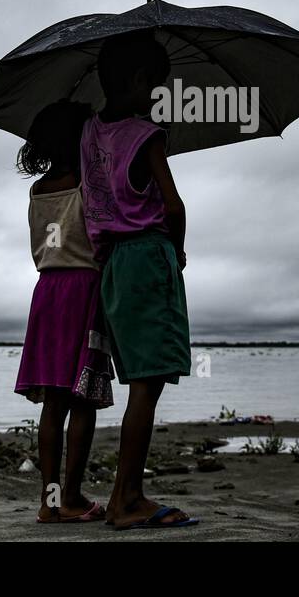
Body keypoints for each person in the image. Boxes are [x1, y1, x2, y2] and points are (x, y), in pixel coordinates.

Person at [81, 30, 198, 530]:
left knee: (138, 380)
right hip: (149, 257)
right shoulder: (145, 134)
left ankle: (124, 495)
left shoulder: (87, 132)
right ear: (139, 80)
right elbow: (172, 204)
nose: (159, 95)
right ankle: (127, 498)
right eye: (157, 84)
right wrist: (179, 247)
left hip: (110, 268)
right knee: (147, 386)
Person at [13, 100, 114, 524]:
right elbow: (103, 237)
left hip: (47, 293)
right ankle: (71, 498)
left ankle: (50, 501)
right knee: (84, 400)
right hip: (84, 291)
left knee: (53, 403)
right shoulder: (88, 184)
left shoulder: (37, 190)